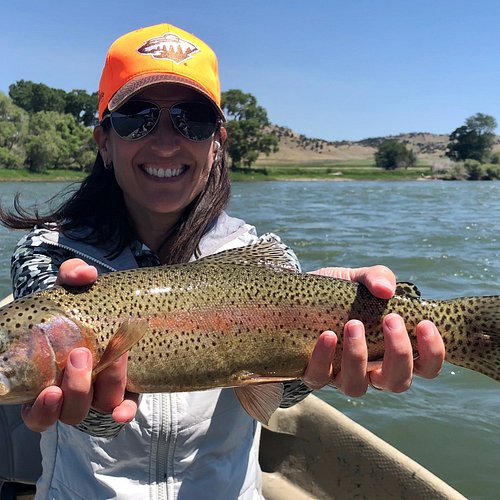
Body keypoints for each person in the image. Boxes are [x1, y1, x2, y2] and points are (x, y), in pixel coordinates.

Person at [0, 23, 445, 499]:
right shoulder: (51, 257)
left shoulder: (264, 259)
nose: (167, 142)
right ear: (104, 141)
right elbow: (95, 423)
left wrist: (328, 369)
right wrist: (93, 409)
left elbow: (269, 395)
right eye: (137, 118)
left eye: (192, 119)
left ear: (216, 144)